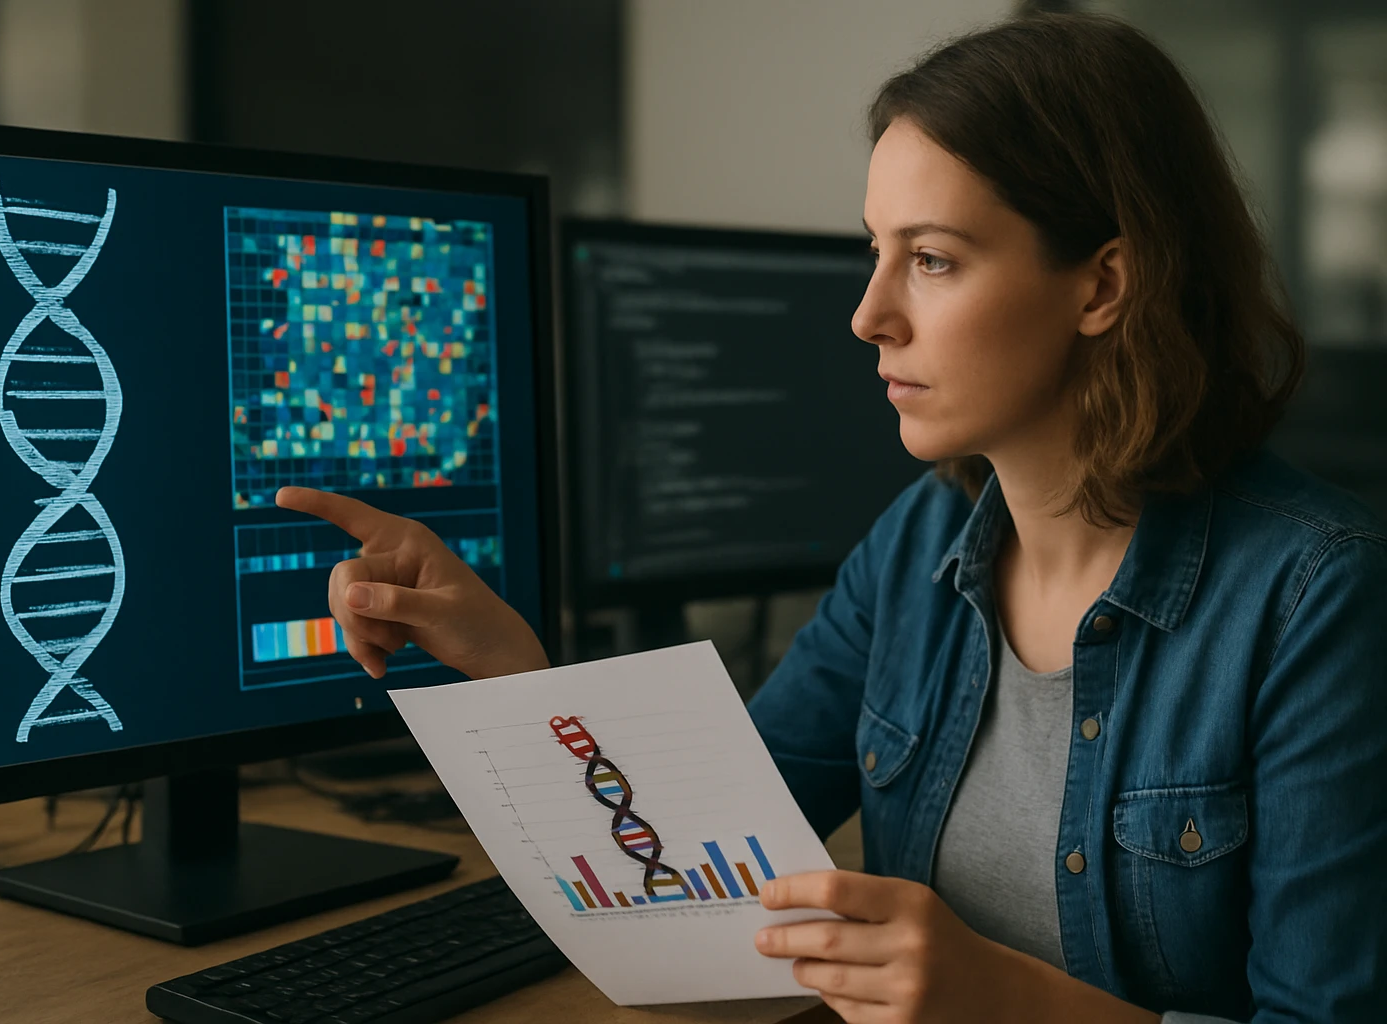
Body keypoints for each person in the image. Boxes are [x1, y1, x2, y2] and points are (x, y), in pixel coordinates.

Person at [276, 12, 1387, 1023]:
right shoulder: (917, 546)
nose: (869, 316)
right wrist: (508, 666)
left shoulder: (1314, 594)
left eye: (933, 261)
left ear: (1102, 287)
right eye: (875, 251)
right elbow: (700, 864)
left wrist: (1001, 1000)